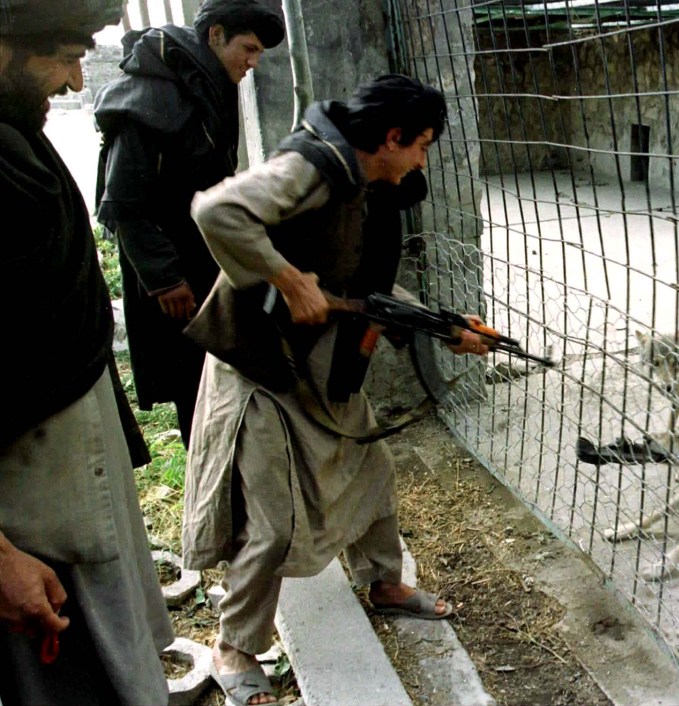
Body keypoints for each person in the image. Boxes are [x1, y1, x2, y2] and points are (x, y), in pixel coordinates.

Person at [182, 74, 489, 706]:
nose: (421, 162)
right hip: (262, 370)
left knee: (372, 474)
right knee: (275, 520)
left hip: (322, 370)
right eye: (422, 145)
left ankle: (385, 584)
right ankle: (236, 645)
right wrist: (288, 279)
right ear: (392, 136)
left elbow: (364, 291)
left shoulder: (369, 189)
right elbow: (216, 211)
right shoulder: (314, 167)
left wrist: (446, 327)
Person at [0, 1, 175, 703]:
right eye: (63, 55)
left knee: (111, 658)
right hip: (26, 508)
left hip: (71, 477)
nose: (77, 81)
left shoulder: (13, 135)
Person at [93, 0, 285, 449]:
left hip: (199, 262)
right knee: (193, 391)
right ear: (215, 35)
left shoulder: (206, 86)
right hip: (173, 278)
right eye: (249, 48)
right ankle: (207, 476)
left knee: (216, 379)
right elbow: (123, 203)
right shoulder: (154, 93)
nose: (253, 63)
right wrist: (165, 279)